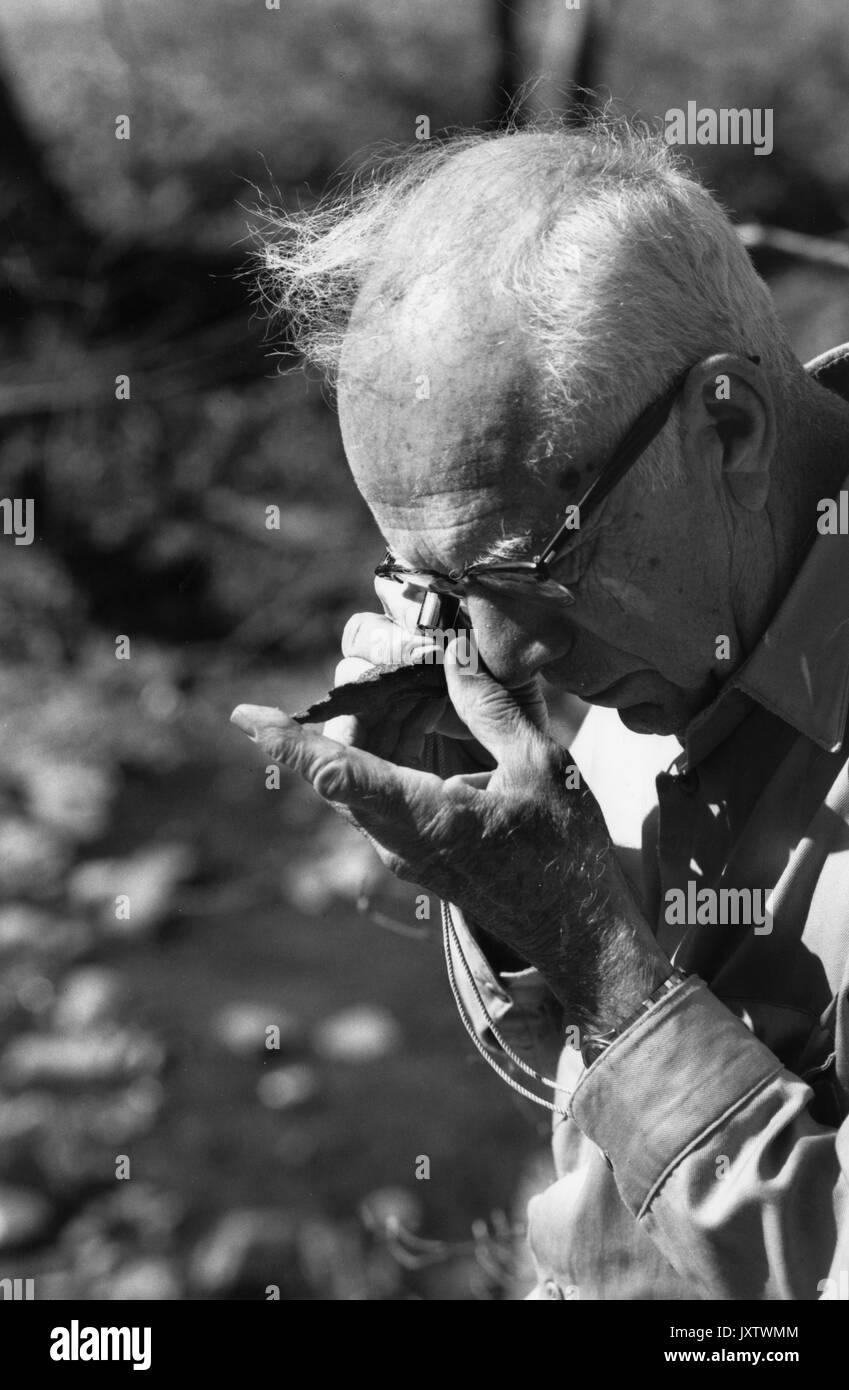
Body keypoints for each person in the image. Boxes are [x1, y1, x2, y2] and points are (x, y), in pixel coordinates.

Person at [232, 122, 849, 1299]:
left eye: (523, 575)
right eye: (445, 590)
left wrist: (605, 961)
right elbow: (605, 1118)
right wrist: (514, 894)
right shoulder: (681, 589)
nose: (512, 657)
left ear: (729, 427)